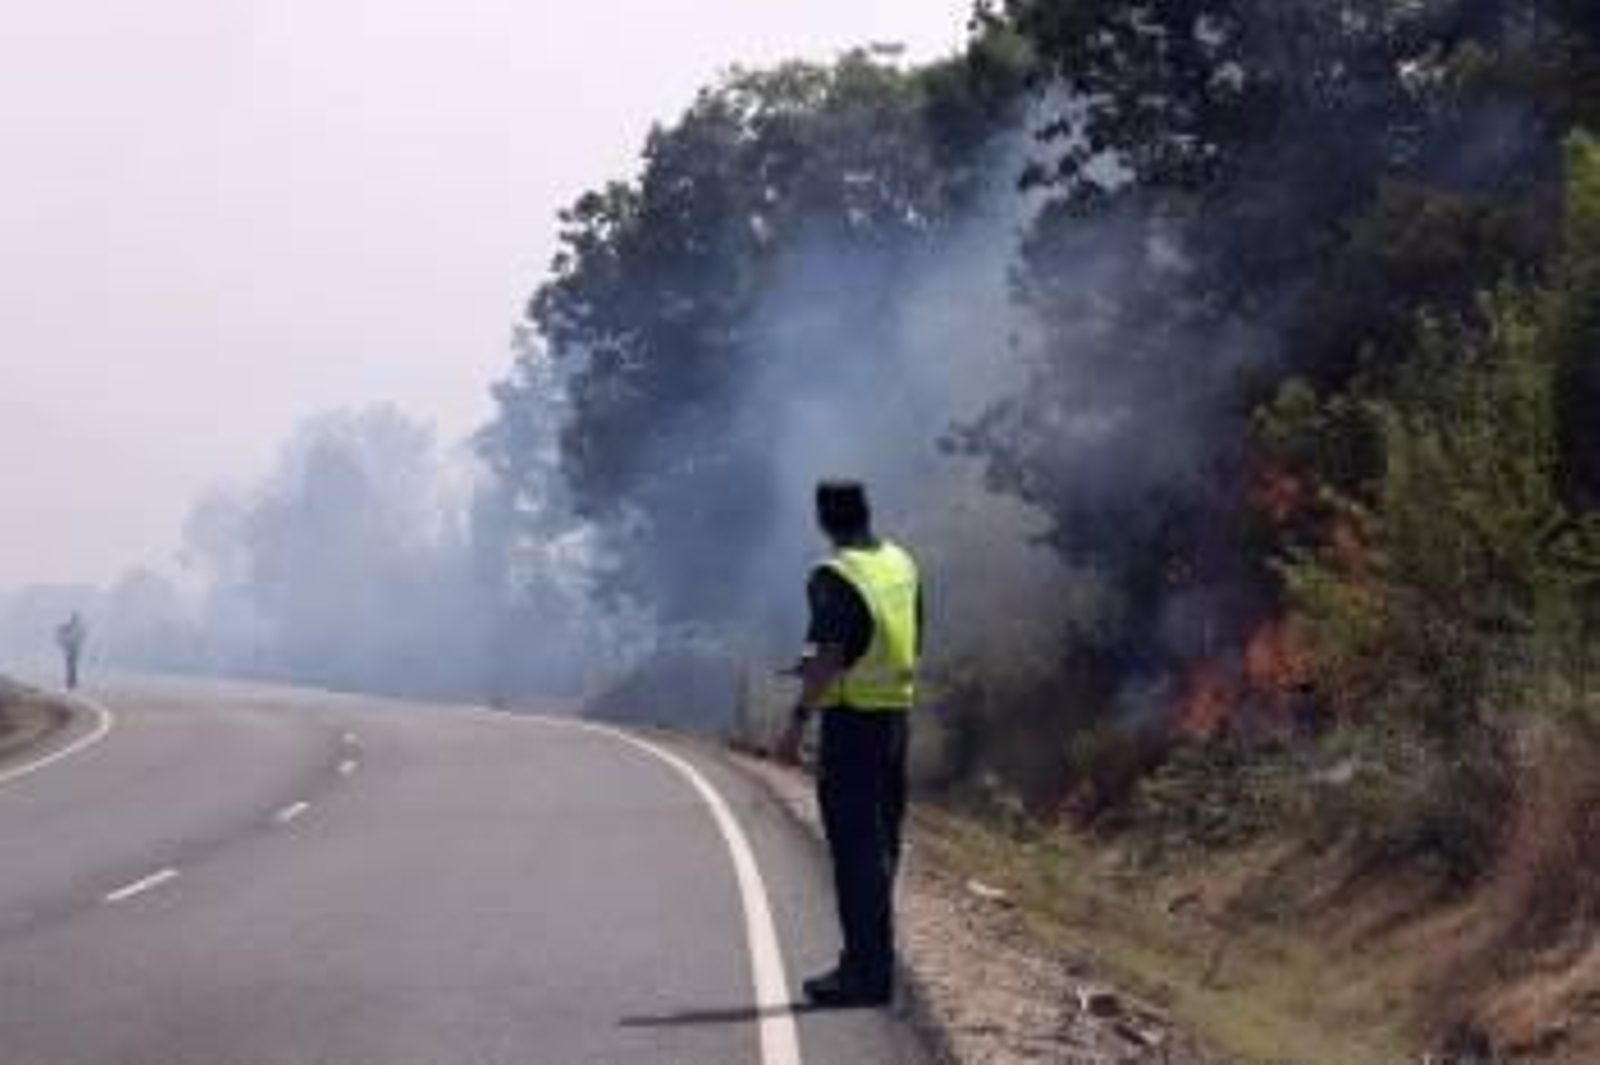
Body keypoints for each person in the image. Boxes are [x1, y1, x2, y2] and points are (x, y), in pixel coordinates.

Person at [778, 480, 922, 1009]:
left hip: (854, 726)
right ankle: (873, 964)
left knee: (856, 852)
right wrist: (824, 668)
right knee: (883, 847)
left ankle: (864, 974)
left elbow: (834, 652)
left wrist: (795, 722)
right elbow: (900, 636)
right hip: (896, 722)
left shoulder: (833, 575)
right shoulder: (900, 562)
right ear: (867, 512)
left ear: (822, 520)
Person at [55, 612, 88, 691]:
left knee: (71, 667)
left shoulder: (74, 627)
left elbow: (61, 630)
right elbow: (60, 630)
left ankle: (71, 684)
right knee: (71, 667)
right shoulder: (73, 627)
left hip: (72, 650)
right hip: (71, 650)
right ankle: (71, 683)